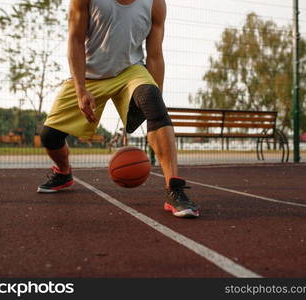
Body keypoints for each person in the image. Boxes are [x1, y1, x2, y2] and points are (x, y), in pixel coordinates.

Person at [37, 0, 199, 218]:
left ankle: (174, 189)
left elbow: (155, 55)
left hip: (130, 71)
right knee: (50, 137)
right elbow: (75, 39)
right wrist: (80, 89)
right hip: (90, 74)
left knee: (152, 98)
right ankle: (64, 172)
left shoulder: (155, 4)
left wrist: (155, 103)